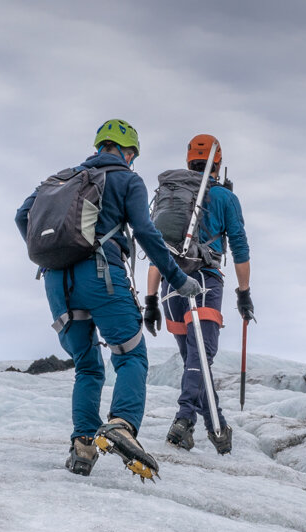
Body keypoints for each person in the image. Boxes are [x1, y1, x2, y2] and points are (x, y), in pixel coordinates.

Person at [15, 119, 199, 480]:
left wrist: (51, 255)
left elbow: (22, 216)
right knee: (130, 354)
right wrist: (178, 278)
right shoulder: (126, 179)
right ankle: (122, 424)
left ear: (99, 146)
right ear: (128, 152)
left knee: (87, 365)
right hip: (102, 276)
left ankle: (82, 447)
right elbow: (146, 232)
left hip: (57, 282)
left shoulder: (60, 180)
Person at [142, 134, 254, 455]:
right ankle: (184, 420)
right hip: (205, 281)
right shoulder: (224, 198)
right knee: (201, 358)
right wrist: (243, 294)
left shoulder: (174, 198)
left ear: (188, 161)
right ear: (217, 164)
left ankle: (216, 426)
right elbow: (241, 250)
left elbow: (157, 255)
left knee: (195, 360)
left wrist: (151, 302)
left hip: (169, 286)